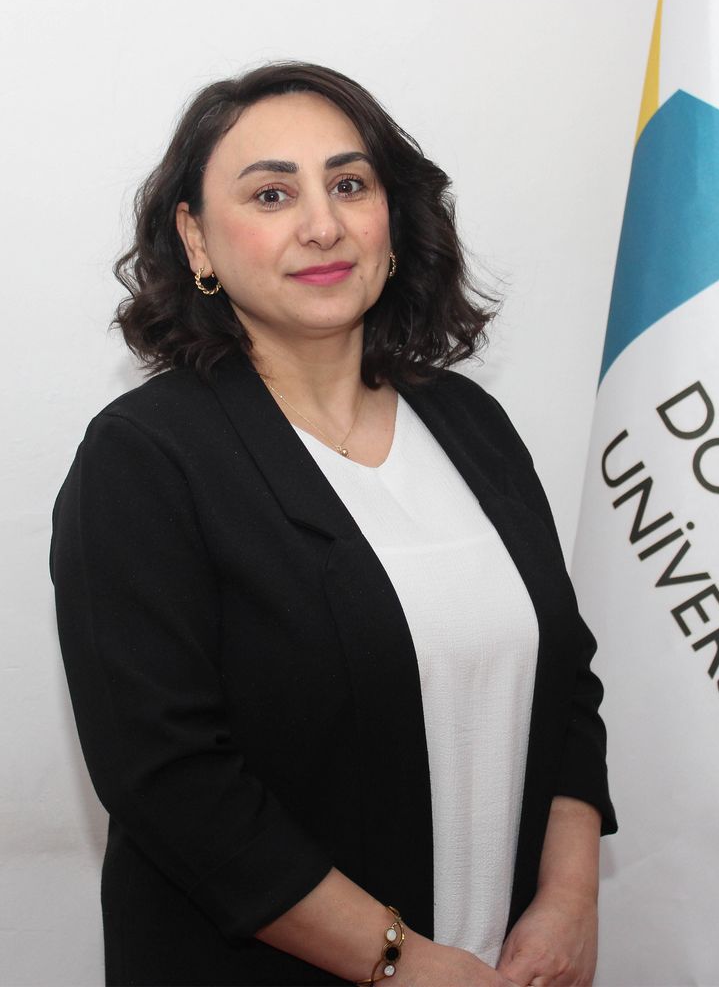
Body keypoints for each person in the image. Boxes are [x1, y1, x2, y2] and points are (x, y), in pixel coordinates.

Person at [51, 62, 616, 987]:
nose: (323, 225)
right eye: (272, 194)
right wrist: (401, 961)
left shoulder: (469, 422)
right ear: (195, 238)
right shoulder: (145, 459)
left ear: (393, 220)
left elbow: (568, 684)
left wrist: (569, 902)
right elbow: (172, 782)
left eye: (350, 185)